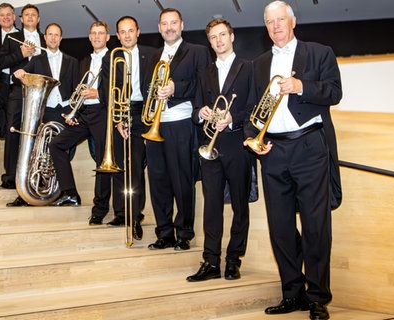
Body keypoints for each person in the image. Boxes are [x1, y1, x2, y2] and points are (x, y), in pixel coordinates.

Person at [247, 2, 343, 319]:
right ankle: (292, 293)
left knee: (316, 226)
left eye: (280, 20)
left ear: (293, 21)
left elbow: (334, 92)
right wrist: (251, 139)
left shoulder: (319, 52)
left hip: (309, 148)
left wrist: (301, 86)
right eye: (269, 22)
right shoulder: (258, 64)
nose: (275, 26)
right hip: (273, 152)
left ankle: (318, 298)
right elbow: (252, 112)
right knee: (281, 228)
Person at [186, 18, 255, 282]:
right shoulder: (204, 73)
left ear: (232, 36)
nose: (218, 40)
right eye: (213, 37)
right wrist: (201, 112)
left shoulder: (248, 68)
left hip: (237, 145)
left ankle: (234, 260)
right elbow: (196, 109)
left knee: (240, 205)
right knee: (212, 205)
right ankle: (211, 261)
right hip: (210, 147)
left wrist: (233, 119)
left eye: (222, 35)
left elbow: (253, 109)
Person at [146, 8, 211, 251]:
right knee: (158, 181)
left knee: (182, 180)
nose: (169, 27)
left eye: (174, 23)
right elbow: (148, 87)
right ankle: (164, 233)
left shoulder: (197, 51)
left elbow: (204, 84)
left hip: (181, 123)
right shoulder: (154, 56)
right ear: (159, 27)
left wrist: (177, 87)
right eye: (165, 23)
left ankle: (184, 232)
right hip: (155, 124)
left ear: (182, 25)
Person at [8, 22, 79, 207]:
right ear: (45, 38)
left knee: (60, 152)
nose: (53, 38)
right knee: (35, 150)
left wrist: (74, 112)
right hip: (44, 110)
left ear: (61, 38)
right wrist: (20, 74)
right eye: (50, 35)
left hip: (64, 111)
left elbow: (78, 90)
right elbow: (18, 77)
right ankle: (27, 193)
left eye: (57, 35)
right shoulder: (37, 61)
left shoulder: (72, 61)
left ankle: (62, 192)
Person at [48, 21, 111, 213]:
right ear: (90, 37)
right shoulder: (83, 61)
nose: (97, 37)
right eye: (93, 33)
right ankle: (70, 193)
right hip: (84, 114)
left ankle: (100, 209)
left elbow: (124, 88)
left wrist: (98, 93)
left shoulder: (115, 57)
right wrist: (74, 111)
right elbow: (78, 89)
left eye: (101, 33)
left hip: (103, 113)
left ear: (107, 37)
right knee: (56, 145)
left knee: (102, 160)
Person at [104, 16, 156, 240]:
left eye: (130, 30)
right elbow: (107, 90)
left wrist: (150, 122)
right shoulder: (111, 57)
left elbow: (156, 90)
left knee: (135, 168)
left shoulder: (152, 54)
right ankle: (123, 213)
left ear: (138, 32)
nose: (127, 35)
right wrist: (117, 119)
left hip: (142, 113)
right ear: (117, 35)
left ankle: (135, 217)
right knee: (120, 168)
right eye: (122, 32)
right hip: (119, 114)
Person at [0, 4, 45, 190]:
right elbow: (0, 63)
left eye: (34, 14)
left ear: (38, 19)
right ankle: (9, 176)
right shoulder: (11, 38)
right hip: (17, 91)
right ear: (21, 19)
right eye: (27, 15)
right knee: (13, 131)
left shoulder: (45, 38)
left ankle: (36, 176)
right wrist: (20, 53)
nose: (30, 17)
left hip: (40, 93)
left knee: (37, 134)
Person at [0, 2, 19, 140]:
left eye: (8, 14)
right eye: (2, 15)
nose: (5, 17)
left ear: (14, 17)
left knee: (14, 125)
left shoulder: (23, 36)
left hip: (16, 85)